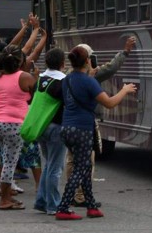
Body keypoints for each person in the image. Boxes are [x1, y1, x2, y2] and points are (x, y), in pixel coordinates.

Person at [55, 44, 136, 220]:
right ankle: (63, 208)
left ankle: (91, 205)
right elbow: (110, 103)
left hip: (66, 127)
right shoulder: (89, 81)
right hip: (82, 129)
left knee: (84, 166)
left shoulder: (67, 79)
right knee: (81, 168)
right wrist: (124, 90)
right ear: (88, 61)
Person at [0, 45, 36, 210]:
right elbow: (34, 97)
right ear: (20, 61)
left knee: (6, 158)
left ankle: (6, 195)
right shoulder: (25, 77)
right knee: (10, 162)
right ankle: (4, 199)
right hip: (15, 124)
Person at [33, 48, 67, 216]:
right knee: (55, 168)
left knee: (48, 165)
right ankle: (53, 205)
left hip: (41, 126)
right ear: (63, 64)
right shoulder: (63, 82)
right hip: (57, 127)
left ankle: (42, 201)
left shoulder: (40, 79)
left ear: (46, 62)